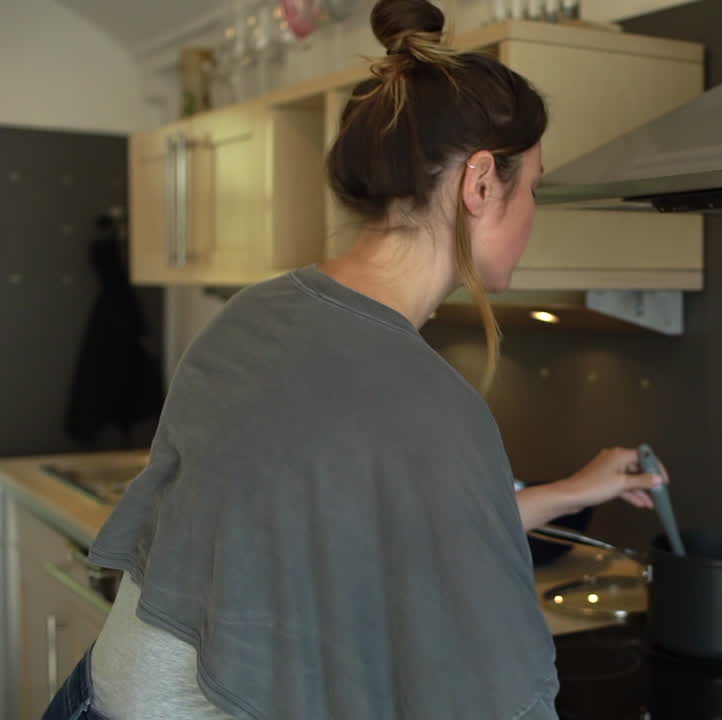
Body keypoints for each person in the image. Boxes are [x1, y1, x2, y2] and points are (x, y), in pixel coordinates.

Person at [42, 1, 666, 717]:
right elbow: (504, 690)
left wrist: (570, 492)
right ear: (481, 183)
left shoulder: (254, 314)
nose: (534, 211)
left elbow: (362, 515)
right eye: (536, 187)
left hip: (91, 699)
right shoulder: (427, 401)